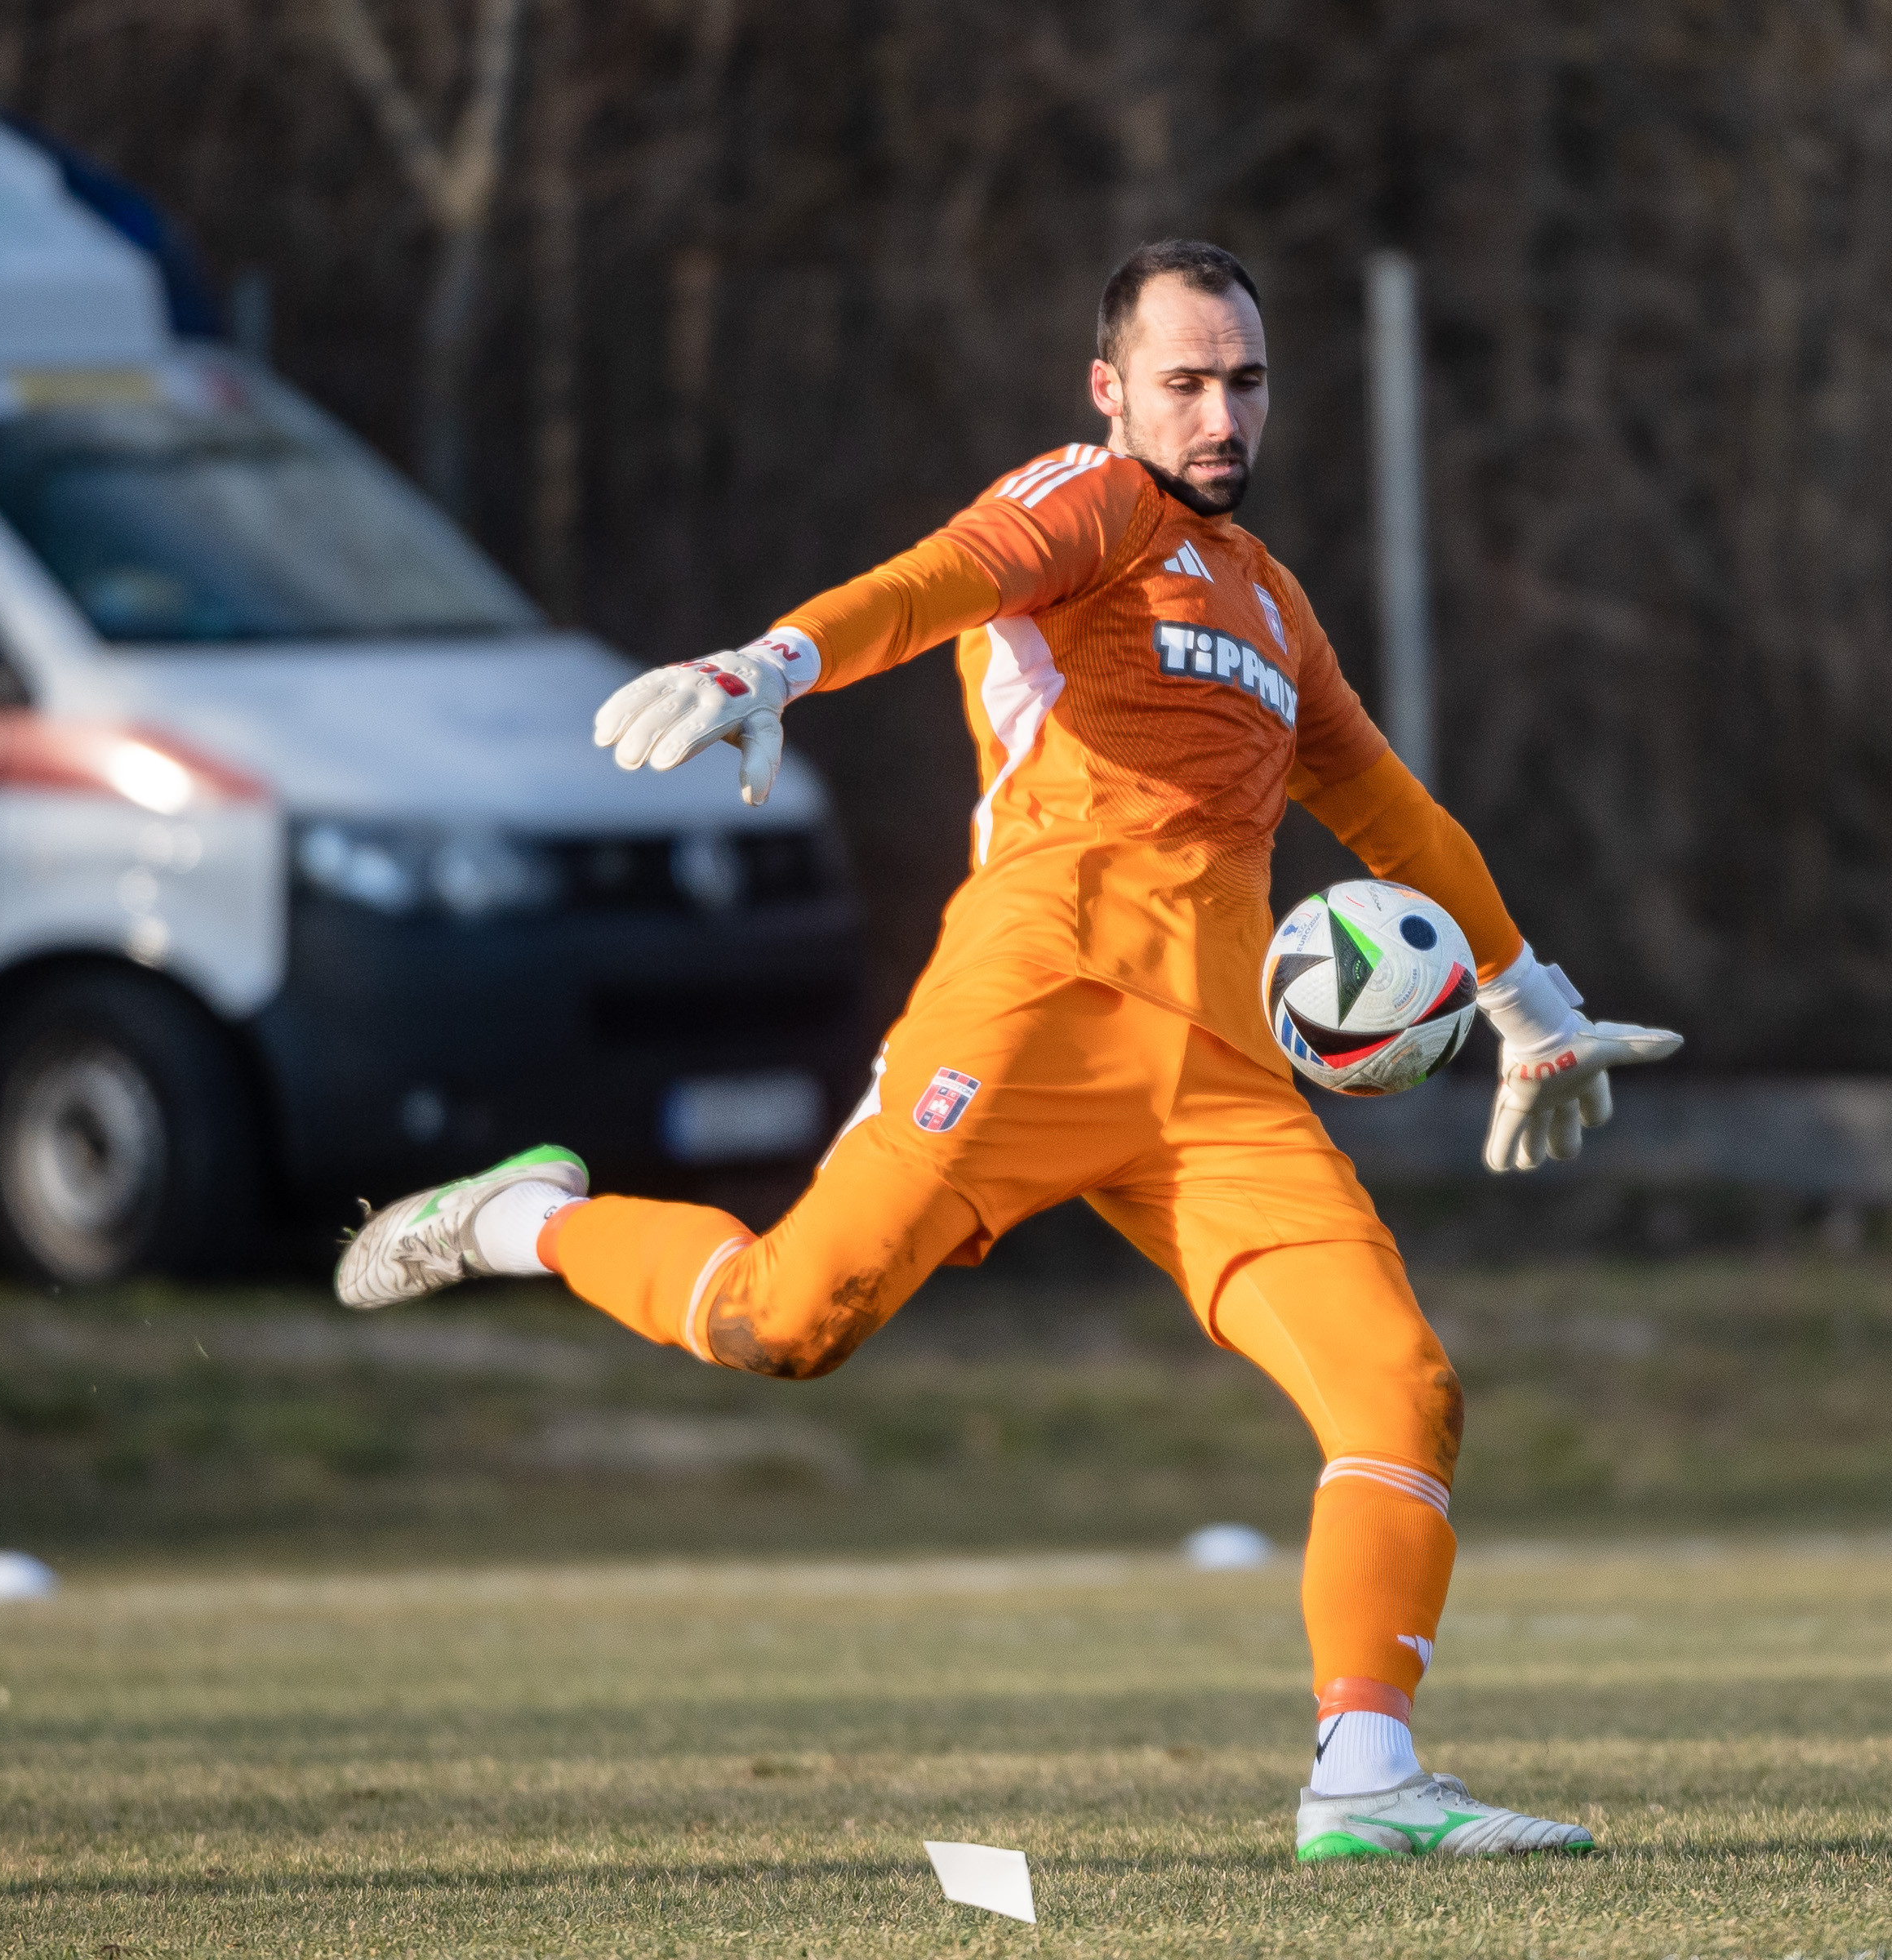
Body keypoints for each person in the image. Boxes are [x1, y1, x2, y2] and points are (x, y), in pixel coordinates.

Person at [335, 238, 1680, 1862]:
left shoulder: (1273, 602)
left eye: (1247, 382)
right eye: (1185, 382)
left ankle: (1367, 1778)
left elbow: (1396, 815)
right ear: (1110, 389)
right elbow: (936, 582)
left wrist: (1529, 1007)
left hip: (1220, 1082)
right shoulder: (1091, 501)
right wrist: (771, 663)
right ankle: (521, 1219)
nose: (1221, 416)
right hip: (1035, 1014)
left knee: (1401, 1386)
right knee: (782, 1322)